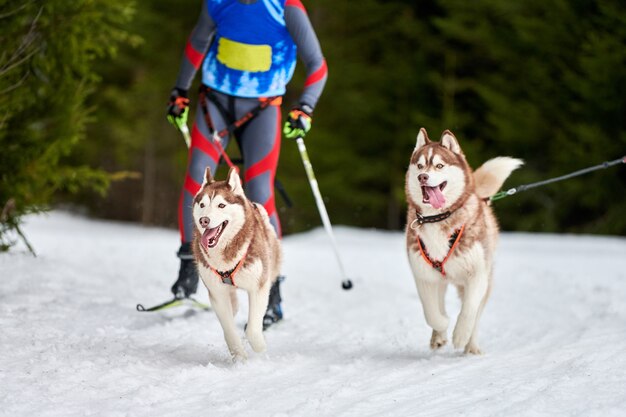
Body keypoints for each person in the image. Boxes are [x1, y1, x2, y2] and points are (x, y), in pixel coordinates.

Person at [166, 0, 328, 329]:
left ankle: (273, 293)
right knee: (197, 179)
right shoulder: (218, 2)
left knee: (259, 192)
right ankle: (189, 267)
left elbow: (318, 66)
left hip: (264, 108)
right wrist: (180, 89)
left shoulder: (287, 7)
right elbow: (199, 42)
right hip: (214, 101)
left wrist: (305, 108)